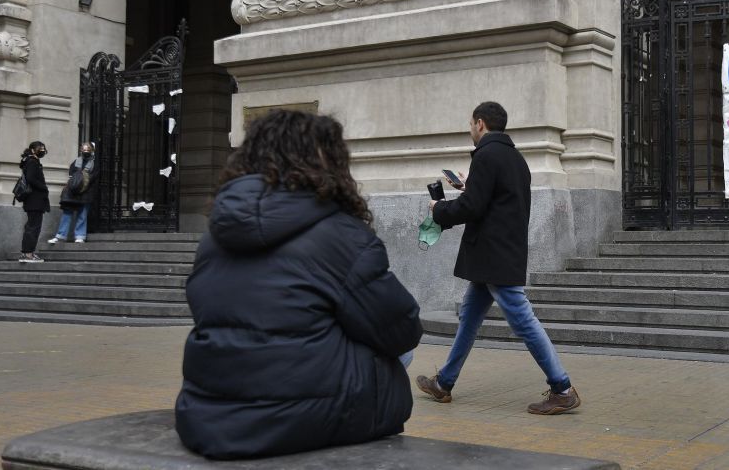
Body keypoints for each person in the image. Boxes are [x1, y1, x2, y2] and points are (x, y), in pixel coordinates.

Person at [174, 109, 423, 460]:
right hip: (301, 419)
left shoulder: (214, 236)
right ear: (327, 161)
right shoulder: (341, 235)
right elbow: (403, 332)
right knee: (397, 348)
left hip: (206, 416)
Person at [415, 101, 581, 415]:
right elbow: (497, 200)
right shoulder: (515, 159)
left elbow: (473, 208)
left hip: (493, 256)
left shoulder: (486, 155)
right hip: (497, 254)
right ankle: (444, 382)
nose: (470, 129)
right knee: (469, 318)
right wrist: (469, 186)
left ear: (480, 123)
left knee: (524, 321)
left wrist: (439, 211)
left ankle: (562, 387)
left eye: (470, 124)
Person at [48, 142, 99, 244]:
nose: (85, 152)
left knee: (82, 214)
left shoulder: (95, 163)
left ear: (92, 151)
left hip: (86, 192)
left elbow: (93, 178)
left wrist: (82, 182)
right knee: (67, 213)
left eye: (88, 150)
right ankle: (61, 235)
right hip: (73, 192)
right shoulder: (76, 161)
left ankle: (80, 236)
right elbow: (71, 175)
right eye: (83, 150)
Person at [18, 141, 49, 263]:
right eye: (39, 148)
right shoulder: (32, 162)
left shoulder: (29, 161)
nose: (42, 150)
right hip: (34, 200)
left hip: (33, 200)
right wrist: (43, 187)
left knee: (31, 226)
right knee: (33, 227)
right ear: (32, 150)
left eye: (43, 148)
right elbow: (31, 178)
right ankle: (28, 254)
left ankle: (27, 253)